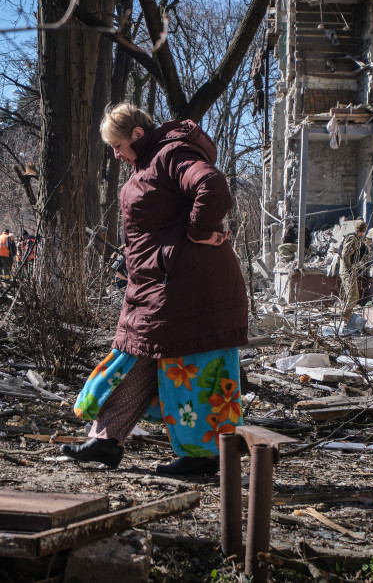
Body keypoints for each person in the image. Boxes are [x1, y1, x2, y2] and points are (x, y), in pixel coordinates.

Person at [62, 103, 248, 476]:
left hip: (190, 292)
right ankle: (105, 441)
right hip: (160, 289)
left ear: (137, 134)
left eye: (117, 145)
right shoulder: (150, 163)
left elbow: (212, 186)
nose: (115, 154)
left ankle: (205, 458)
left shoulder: (171, 154)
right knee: (133, 359)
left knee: (195, 370)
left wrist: (197, 232)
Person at [339, 220, 373, 321]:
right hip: (347, 271)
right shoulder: (352, 239)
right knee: (353, 295)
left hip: (348, 270)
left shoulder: (356, 239)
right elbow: (345, 255)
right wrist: (349, 269)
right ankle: (345, 317)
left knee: (353, 295)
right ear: (363, 231)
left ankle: (346, 316)